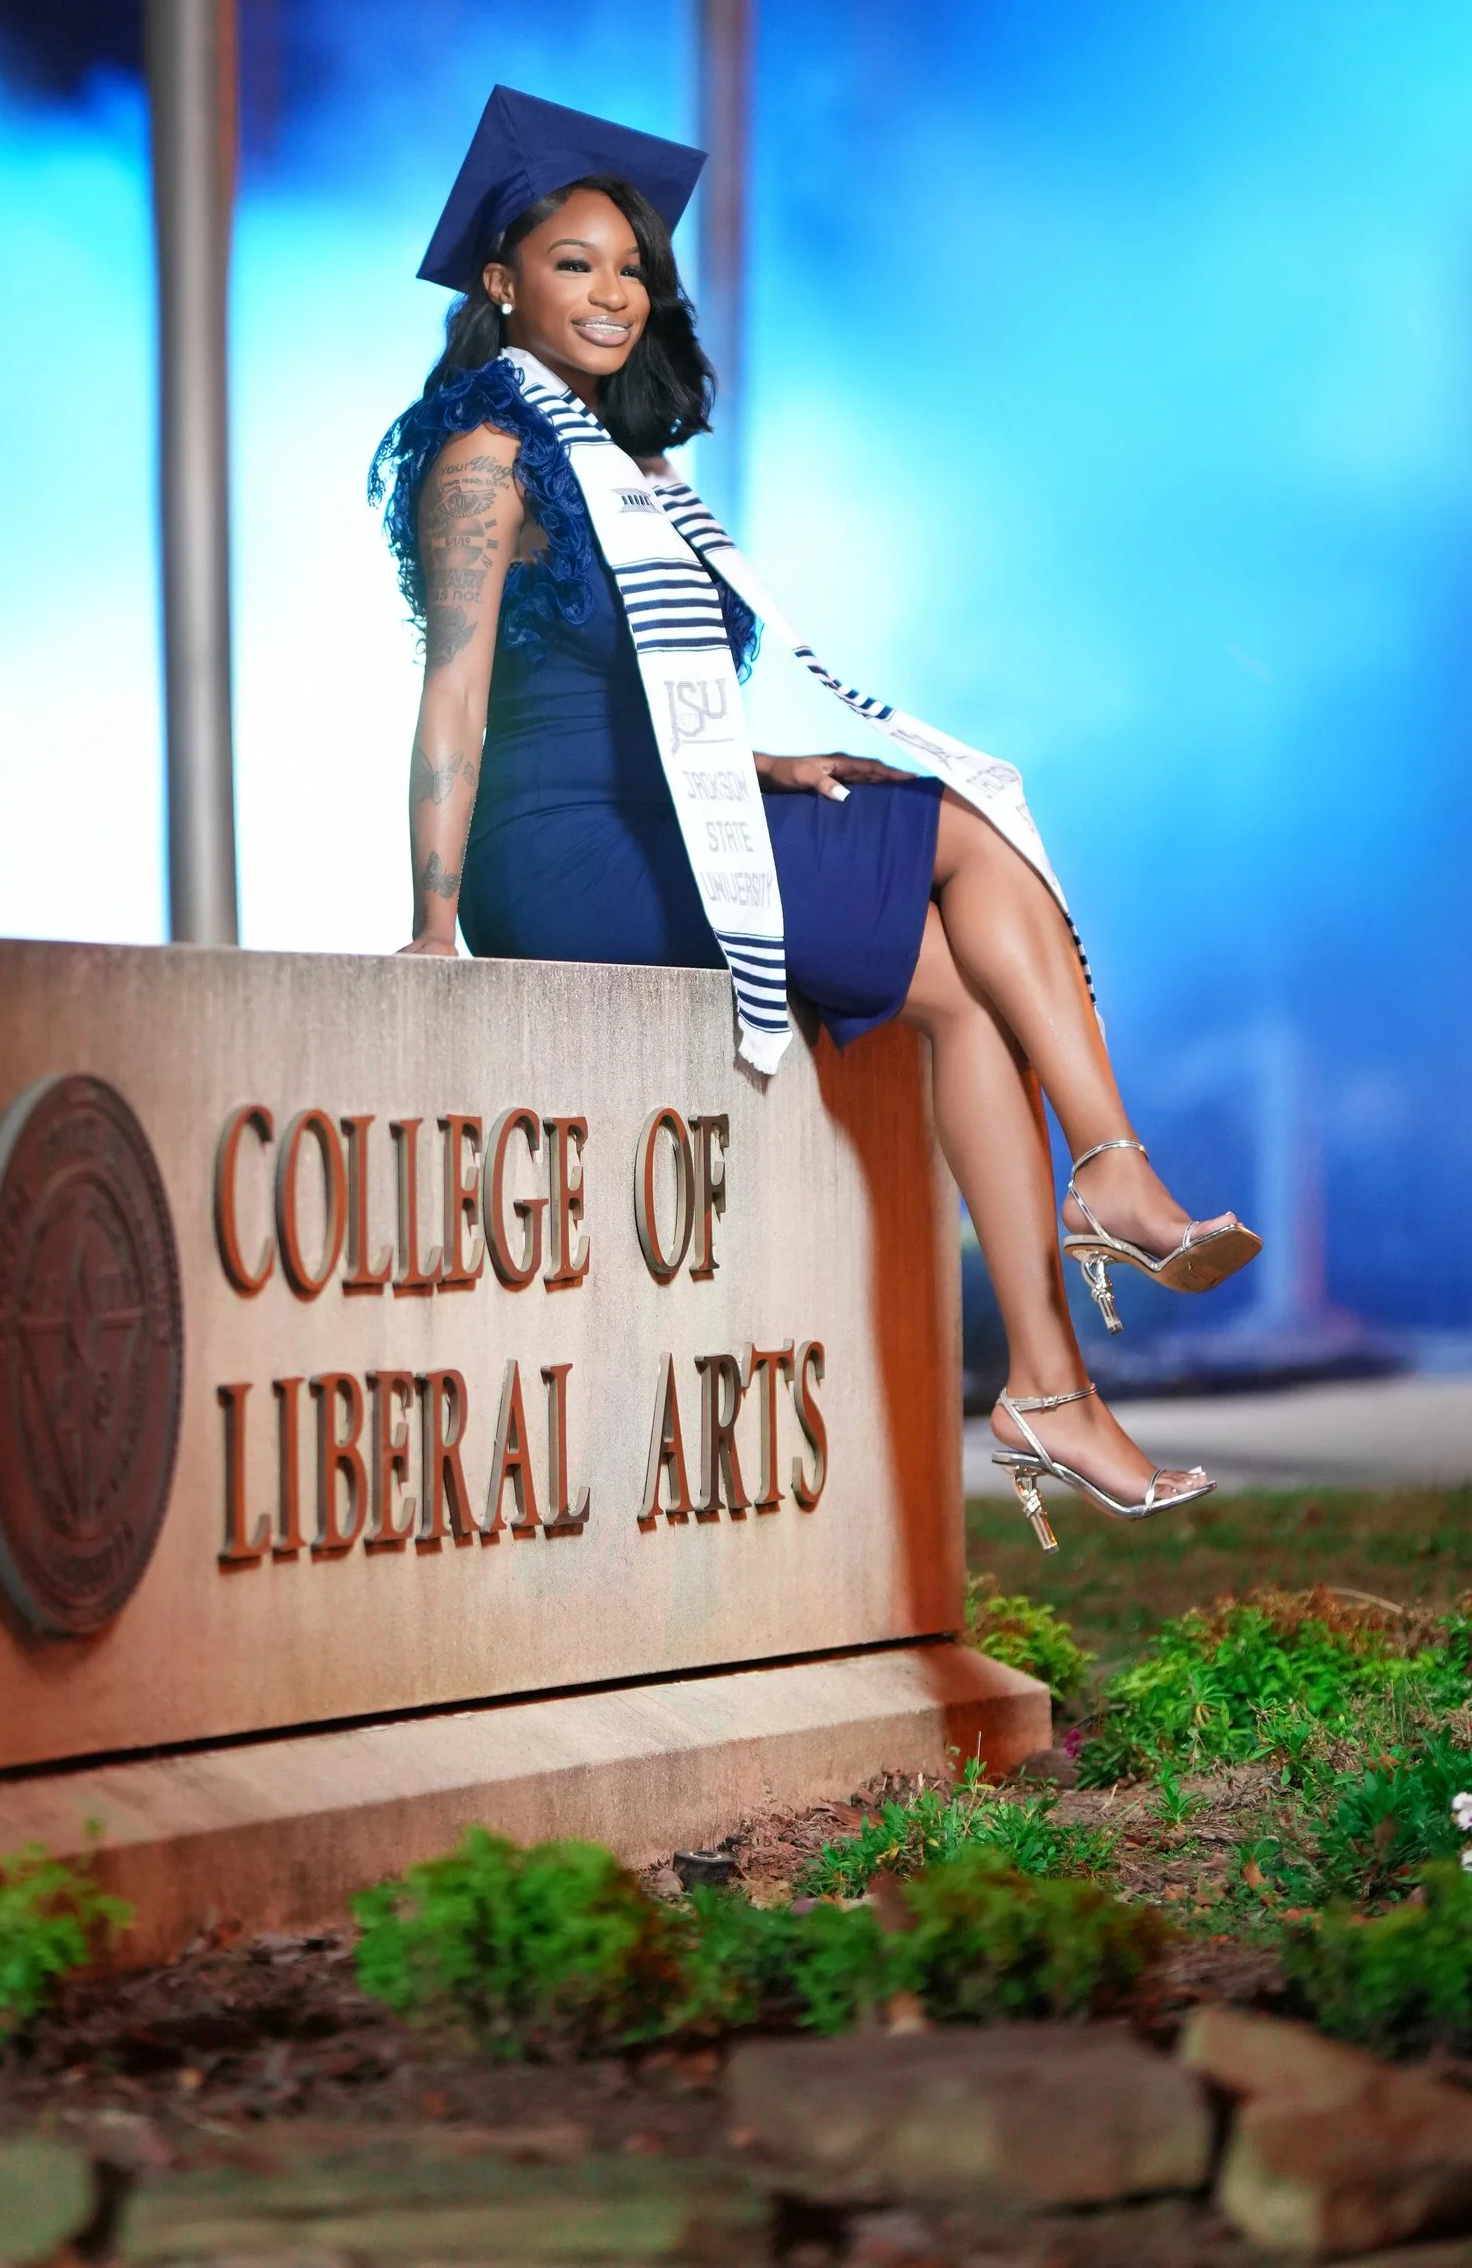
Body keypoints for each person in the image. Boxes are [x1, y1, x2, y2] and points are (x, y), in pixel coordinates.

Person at [372, 86, 1259, 1544]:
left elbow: (639, 682)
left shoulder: (629, 468)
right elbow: (458, 695)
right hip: (566, 856)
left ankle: (1051, 1389)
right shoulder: (488, 460)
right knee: (962, 826)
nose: (611, 292)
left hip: (661, 816)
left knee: (970, 999)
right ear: (500, 284)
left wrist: (757, 765)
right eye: (574, 264)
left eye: (630, 267)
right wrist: (429, 924)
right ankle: (1114, 1173)